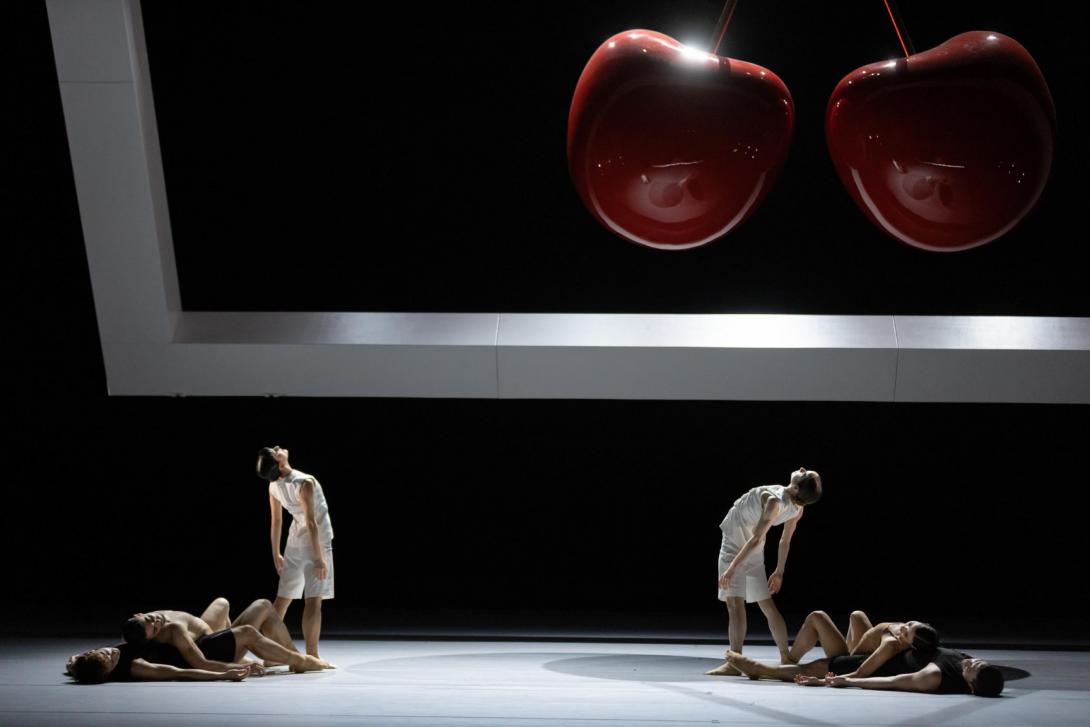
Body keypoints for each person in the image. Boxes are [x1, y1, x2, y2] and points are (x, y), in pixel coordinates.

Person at [706, 467, 822, 676]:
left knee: (735, 603)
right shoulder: (797, 508)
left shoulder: (774, 501)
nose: (802, 469)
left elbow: (757, 538)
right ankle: (785, 656)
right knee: (765, 604)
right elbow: (784, 541)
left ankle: (735, 662)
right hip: (752, 547)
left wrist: (732, 568)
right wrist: (779, 571)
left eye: (805, 474)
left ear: (796, 488)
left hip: (738, 543)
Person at [256, 445, 335, 665]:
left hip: (294, 543)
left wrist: (276, 553)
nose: (279, 448)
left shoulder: (273, 485)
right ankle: (312, 655)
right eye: (276, 451)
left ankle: (271, 654)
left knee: (283, 599)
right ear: (279, 462)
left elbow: (276, 522)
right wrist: (319, 558)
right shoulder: (304, 482)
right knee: (313, 600)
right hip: (315, 542)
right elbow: (311, 522)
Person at [119, 597, 326, 675]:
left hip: (207, 636)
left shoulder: (145, 623)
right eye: (155, 629)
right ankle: (298, 659)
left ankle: (269, 657)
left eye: (150, 619)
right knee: (263, 606)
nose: (157, 622)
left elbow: (128, 640)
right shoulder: (173, 630)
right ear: (153, 637)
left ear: (139, 614)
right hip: (211, 650)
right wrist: (234, 667)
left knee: (222, 602)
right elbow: (200, 662)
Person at [727, 645, 1005, 697]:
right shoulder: (967, 661)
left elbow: (893, 681)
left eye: (975, 670)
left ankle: (760, 669)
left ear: (970, 686)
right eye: (980, 663)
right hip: (888, 653)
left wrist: (845, 681)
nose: (974, 663)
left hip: (881, 665)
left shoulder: (935, 676)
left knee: (818, 666)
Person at [785, 609, 939, 675]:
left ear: (911, 645)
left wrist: (839, 679)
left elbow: (862, 671)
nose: (904, 627)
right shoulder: (909, 634)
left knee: (817, 616)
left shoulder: (891, 643)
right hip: (860, 649)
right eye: (910, 624)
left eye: (905, 634)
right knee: (857, 615)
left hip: (848, 661)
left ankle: (789, 660)